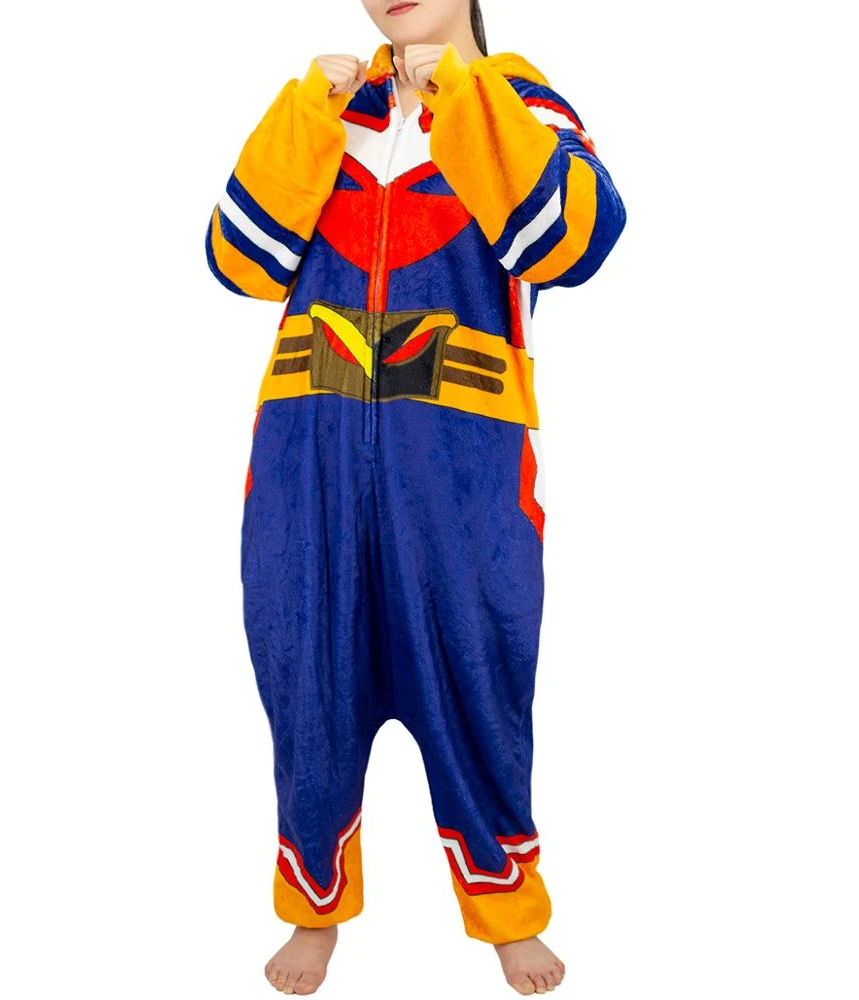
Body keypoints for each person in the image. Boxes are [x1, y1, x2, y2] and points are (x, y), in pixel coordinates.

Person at [204, 0, 626, 993]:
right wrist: (308, 112)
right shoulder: (332, 112)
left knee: (479, 669)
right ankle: (311, 901)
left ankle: (505, 903)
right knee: (305, 673)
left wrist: (465, 99)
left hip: (461, 468)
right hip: (306, 459)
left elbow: (573, 241)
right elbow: (240, 258)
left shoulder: (523, 107)